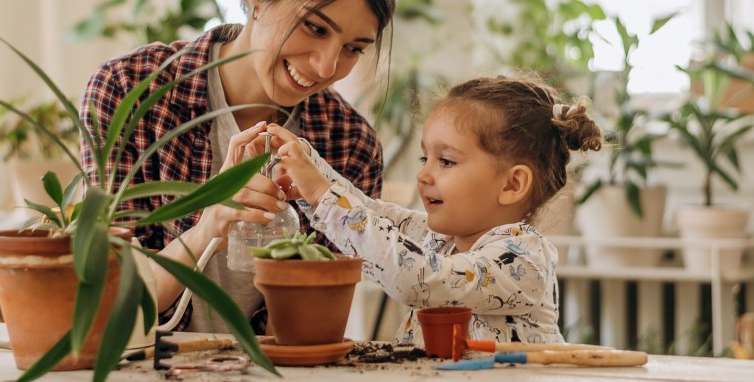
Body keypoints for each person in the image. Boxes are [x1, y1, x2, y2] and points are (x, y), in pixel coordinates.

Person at [79, 0, 397, 333]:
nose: (326, 67)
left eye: (353, 48)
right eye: (316, 28)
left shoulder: (348, 143)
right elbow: (104, 307)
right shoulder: (130, 91)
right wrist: (208, 223)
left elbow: (311, 332)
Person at [256, 75, 603, 345]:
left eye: (446, 161)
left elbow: (416, 277)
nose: (423, 175)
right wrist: (308, 168)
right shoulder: (442, 241)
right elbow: (373, 215)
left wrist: (321, 193)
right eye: (426, 158)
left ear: (512, 185)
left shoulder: (524, 258)